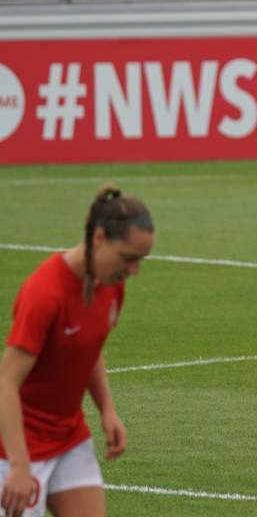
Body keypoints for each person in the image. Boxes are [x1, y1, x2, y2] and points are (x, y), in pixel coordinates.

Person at [0, 187, 154, 517]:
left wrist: (107, 409)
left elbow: (90, 346)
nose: (133, 270)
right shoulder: (45, 292)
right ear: (99, 237)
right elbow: (5, 382)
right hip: (16, 445)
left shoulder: (111, 284)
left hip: (68, 438)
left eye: (139, 260)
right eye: (128, 258)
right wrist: (19, 465)